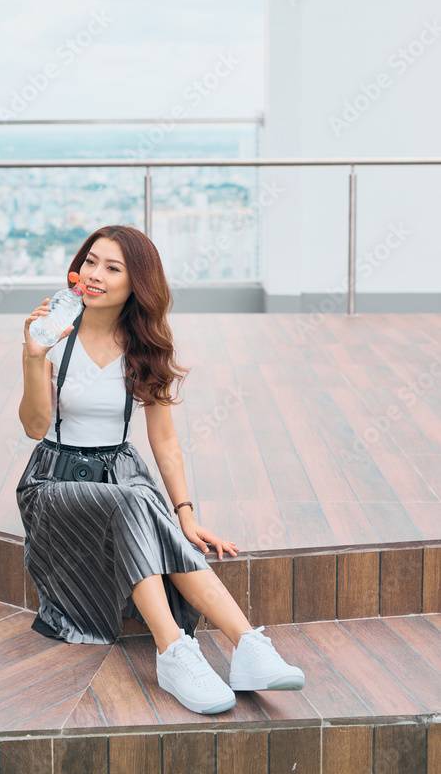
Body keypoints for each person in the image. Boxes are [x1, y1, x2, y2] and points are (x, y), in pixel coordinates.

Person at [16, 224, 304, 714]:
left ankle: (248, 646)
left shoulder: (142, 346)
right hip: (54, 482)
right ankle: (173, 650)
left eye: (113, 268)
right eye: (90, 262)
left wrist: (186, 514)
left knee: (135, 499)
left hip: (120, 475)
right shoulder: (52, 335)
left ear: (136, 284)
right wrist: (32, 355)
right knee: (135, 500)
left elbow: (164, 440)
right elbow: (34, 425)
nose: (95, 274)